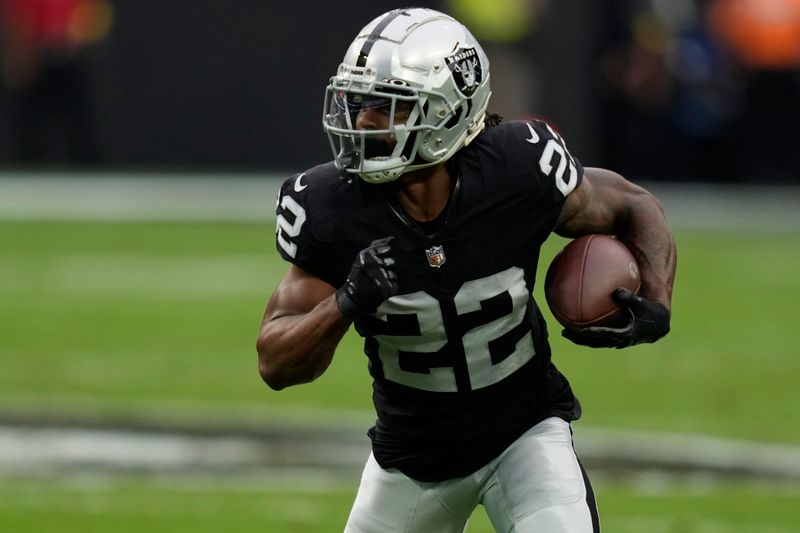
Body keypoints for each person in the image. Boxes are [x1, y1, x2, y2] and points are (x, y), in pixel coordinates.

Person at [257, 7, 676, 533]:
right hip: (411, 462)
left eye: (389, 106)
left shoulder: (519, 170)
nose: (363, 121)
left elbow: (631, 203)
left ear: (447, 114)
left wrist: (658, 297)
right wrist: (345, 303)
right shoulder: (329, 208)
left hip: (525, 438)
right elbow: (275, 363)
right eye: (360, 102)